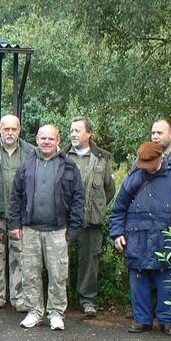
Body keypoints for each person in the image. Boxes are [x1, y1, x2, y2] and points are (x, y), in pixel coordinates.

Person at [8, 125, 85, 331]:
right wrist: (15, 223)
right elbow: (16, 196)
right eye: (43, 138)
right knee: (30, 273)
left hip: (58, 230)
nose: (46, 142)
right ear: (37, 139)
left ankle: (56, 313)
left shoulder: (69, 166)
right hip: (31, 229)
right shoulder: (27, 165)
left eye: (50, 138)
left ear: (58, 139)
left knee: (58, 274)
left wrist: (74, 229)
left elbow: (79, 199)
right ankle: (34, 311)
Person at [109, 141, 171, 336]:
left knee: (168, 280)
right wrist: (117, 233)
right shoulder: (134, 178)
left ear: (161, 158)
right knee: (139, 279)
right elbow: (118, 208)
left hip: (168, 237)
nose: (146, 168)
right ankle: (142, 319)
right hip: (138, 238)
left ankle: (167, 320)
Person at [0, 114, 35, 312]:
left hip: (20, 216)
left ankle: (19, 298)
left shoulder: (30, 152)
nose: (10, 133)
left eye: (14, 129)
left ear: (19, 130)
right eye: (6, 129)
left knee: (20, 256)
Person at [66, 116, 116, 318]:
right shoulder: (63, 156)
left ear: (88, 134)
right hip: (66, 220)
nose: (73, 134)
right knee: (61, 261)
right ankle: (62, 298)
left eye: (78, 131)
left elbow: (109, 190)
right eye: (71, 131)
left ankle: (87, 301)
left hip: (91, 220)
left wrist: (97, 207)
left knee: (90, 262)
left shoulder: (102, 158)